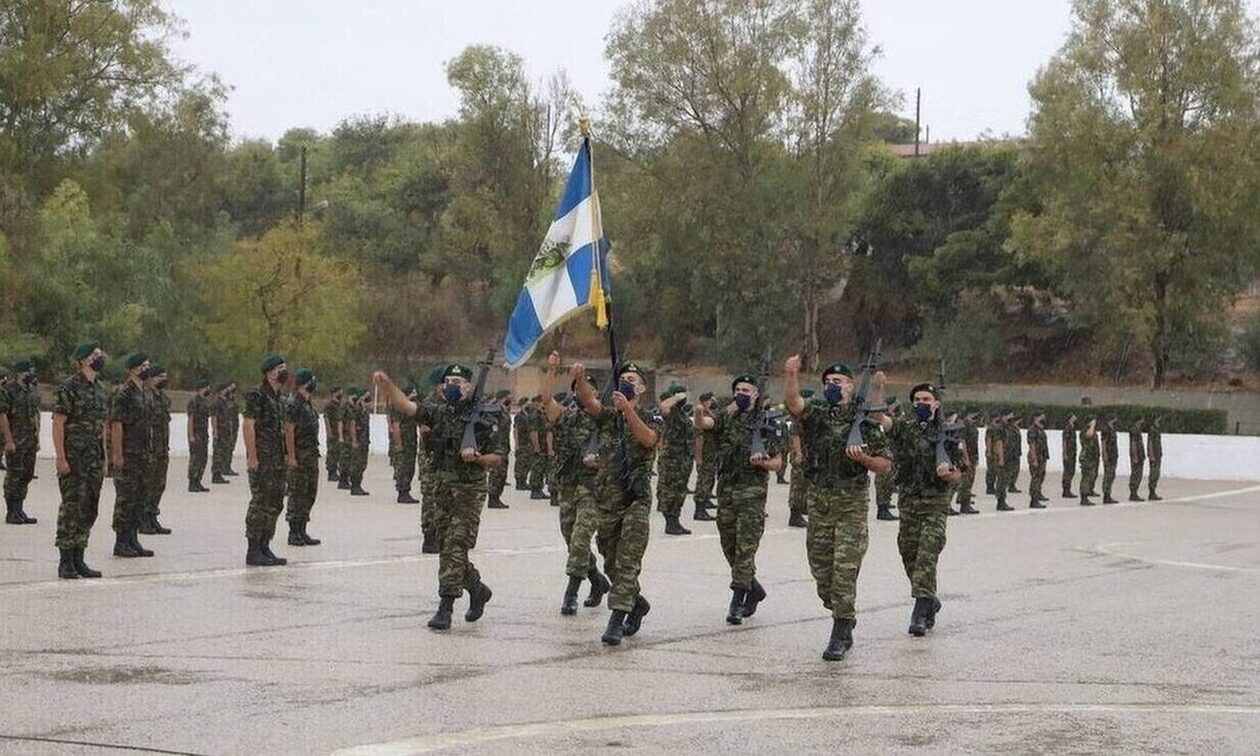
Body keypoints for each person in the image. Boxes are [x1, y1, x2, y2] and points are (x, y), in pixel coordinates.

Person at [374, 364, 505, 631]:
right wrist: (386, 385)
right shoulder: (440, 412)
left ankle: (445, 607)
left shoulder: (488, 416)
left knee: (455, 544)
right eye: (448, 381)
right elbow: (408, 408)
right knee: (448, 549)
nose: (451, 386)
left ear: (470, 386)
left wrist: (478, 458)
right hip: (442, 492)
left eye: (458, 381)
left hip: (469, 492)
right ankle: (477, 589)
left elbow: (499, 457)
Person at [785, 355, 891, 661]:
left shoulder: (865, 420)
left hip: (851, 508)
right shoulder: (816, 413)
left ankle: (841, 630)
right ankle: (842, 612)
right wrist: (790, 374)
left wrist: (863, 459)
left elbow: (884, 465)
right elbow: (793, 403)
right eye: (828, 382)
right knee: (822, 574)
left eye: (839, 382)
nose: (833, 386)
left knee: (844, 572)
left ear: (851, 386)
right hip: (819, 505)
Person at [570, 360, 662, 646]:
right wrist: (580, 378)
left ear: (643, 387)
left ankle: (616, 620)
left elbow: (648, 439)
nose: (627, 381)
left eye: (633, 379)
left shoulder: (653, 416)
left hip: (635, 501)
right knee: (610, 563)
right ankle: (636, 603)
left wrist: (629, 410)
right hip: (607, 501)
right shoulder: (609, 417)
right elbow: (589, 402)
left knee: (626, 563)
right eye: (623, 377)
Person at [693, 371, 783, 625]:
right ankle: (754, 588)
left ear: (757, 394)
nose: (742, 394)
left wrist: (763, 462)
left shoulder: (767, 421)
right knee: (729, 546)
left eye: (747, 390)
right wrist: (700, 411)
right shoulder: (727, 418)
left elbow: (778, 462)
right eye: (738, 390)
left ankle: (738, 599)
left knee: (745, 549)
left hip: (752, 494)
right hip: (727, 491)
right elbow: (705, 425)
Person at [878, 381, 965, 638]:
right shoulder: (905, 429)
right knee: (909, 554)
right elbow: (878, 418)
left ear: (936, 404)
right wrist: (878, 388)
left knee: (927, 554)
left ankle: (919, 612)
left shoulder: (949, 434)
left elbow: (960, 474)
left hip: (935, 504)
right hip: (908, 501)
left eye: (926, 400)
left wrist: (947, 474)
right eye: (917, 400)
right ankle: (929, 599)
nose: (921, 404)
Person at [541, 353, 611, 614]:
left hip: (593, 488)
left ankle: (571, 593)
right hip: (568, 485)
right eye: (577, 388)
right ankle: (597, 581)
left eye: (586, 388)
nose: (580, 393)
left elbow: (617, 454)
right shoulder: (566, 416)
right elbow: (546, 401)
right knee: (571, 540)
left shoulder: (604, 419)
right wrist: (551, 369)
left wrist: (601, 463)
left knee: (581, 539)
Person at [53, 340, 109, 579]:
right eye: (95, 354)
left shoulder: (100, 388)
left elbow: (102, 426)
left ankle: (79, 558)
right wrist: (61, 457)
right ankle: (65, 560)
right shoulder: (69, 387)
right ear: (83, 359)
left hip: (94, 459)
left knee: (89, 507)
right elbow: (58, 423)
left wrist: (105, 457)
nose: (100, 357)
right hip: (74, 458)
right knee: (72, 507)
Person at [243, 355, 290, 567]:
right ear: (269, 372)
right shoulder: (257, 395)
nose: (284, 371)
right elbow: (248, 425)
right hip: (262, 458)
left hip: (277, 459)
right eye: (280, 368)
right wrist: (252, 456)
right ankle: (253, 549)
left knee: (275, 502)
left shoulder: (279, 397)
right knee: (260, 502)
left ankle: (265, 544)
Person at [109, 353, 156, 558]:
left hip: (143, 453)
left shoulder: (145, 392)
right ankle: (121, 541)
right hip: (129, 453)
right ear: (133, 369)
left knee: (139, 497)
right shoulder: (124, 393)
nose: (147, 369)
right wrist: (117, 455)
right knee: (126, 498)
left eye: (148, 365)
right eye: (143, 366)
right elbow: (117, 425)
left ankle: (133, 539)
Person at [284, 369, 323, 546]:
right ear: (306, 383)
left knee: (309, 492)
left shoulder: (307, 403)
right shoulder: (294, 403)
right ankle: (293, 532)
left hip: (311, 455)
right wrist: (291, 456)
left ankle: (302, 530)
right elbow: (289, 430)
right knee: (297, 493)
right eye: (313, 380)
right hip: (299, 455)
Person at [2, 358, 40, 525]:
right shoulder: (8, 391)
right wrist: (8, 440)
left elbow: (34, 415)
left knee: (27, 474)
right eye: (28, 371)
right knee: (14, 476)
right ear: (19, 373)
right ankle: (11, 511)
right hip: (16, 439)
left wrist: (36, 439)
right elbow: (2, 416)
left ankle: (20, 508)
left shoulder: (31, 390)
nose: (31, 374)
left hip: (30, 440)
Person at [656, 384, 693, 535]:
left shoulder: (681, 414)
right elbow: (663, 406)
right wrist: (676, 397)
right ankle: (670, 522)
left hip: (682, 458)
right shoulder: (670, 412)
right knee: (671, 490)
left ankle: (675, 520)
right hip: (672, 458)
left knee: (679, 491)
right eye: (680, 394)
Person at [140, 364, 172, 536]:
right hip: (150, 448)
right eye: (160, 377)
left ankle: (153, 516)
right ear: (151, 379)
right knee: (148, 484)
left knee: (159, 484)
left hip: (162, 448)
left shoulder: (164, 399)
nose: (163, 380)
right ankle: (143, 519)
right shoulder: (146, 397)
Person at [390, 385, 421, 504]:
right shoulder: (399, 407)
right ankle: (403, 492)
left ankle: (405, 490)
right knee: (404, 467)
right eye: (412, 394)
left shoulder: (410, 408)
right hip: (404, 441)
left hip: (411, 441)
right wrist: (398, 444)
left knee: (410, 467)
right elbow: (396, 426)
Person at [692, 392, 718, 522]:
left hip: (711, 455)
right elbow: (699, 439)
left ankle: (705, 502)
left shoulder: (710, 414)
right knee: (703, 481)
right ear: (704, 401)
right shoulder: (701, 415)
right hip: (706, 455)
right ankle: (699, 510)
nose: (713, 401)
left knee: (708, 479)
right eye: (710, 400)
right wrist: (699, 458)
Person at [485, 389, 513, 509]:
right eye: (509, 397)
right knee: (496, 473)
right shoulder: (493, 409)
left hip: (503, 446)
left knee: (501, 473)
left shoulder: (502, 409)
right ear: (504, 397)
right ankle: (493, 498)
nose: (511, 400)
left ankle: (496, 497)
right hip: (497, 446)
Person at [186, 380, 213, 493]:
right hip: (196, 434)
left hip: (203, 434)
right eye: (207, 387)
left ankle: (198, 480)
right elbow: (190, 419)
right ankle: (192, 482)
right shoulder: (194, 401)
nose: (209, 390)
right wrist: (190, 435)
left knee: (203, 458)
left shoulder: (205, 402)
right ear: (202, 388)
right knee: (195, 459)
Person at [955, 412, 980, 514]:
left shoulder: (972, 426)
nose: (974, 418)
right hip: (967, 457)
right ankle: (964, 505)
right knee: (966, 481)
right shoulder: (964, 426)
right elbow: (962, 442)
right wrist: (966, 458)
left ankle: (965, 502)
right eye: (972, 415)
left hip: (973, 456)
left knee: (969, 480)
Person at [211, 383, 233, 485]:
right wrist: (215, 431)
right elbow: (214, 417)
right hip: (220, 432)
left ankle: (220, 473)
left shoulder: (225, 403)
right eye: (225, 390)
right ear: (221, 391)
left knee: (223, 452)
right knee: (218, 453)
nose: (227, 391)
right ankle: (216, 474)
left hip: (225, 432)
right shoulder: (217, 403)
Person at [1026, 410, 1049, 508]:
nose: (1043, 418)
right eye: (1041, 417)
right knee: (1035, 478)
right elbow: (1032, 445)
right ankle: (1033, 500)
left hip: (1042, 457)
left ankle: (1038, 494)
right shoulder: (1032, 430)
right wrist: (1034, 459)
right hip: (1036, 457)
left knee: (1040, 477)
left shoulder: (1040, 429)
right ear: (1036, 418)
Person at [324, 385, 344, 483]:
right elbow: (326, 418)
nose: (341, 394)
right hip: (333, 432)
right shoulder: (329, 405)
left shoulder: (340, 404)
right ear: (335, 393)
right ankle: (331, 472)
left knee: (338, 453)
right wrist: (329, 432)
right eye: (340, 392)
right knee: (332, 452)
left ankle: (336, 471)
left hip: (339, 433)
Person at [1079, 417, 1100, 506]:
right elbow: (1089, 435)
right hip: (1087, 457)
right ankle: (1084, 498)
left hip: (1092, 457)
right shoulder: (1084, 431)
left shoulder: (1093, 431)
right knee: (1086, 478)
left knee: (1091, 476)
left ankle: (1088, 492)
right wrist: (1092, 425)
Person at [1101, 417, 1120, 504]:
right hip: (1108, 456)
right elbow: (1104, 443)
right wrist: (1105, 455)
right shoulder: (1106, 429)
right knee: (1108, 476)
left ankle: (1108, 494)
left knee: (1111, 475)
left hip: (1113, 456)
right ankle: (1106, 495)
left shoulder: (1112, 429)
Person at [1004, 412, 1023, 494]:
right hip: (1010, 452)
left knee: (1016, 470)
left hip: (1016, 452)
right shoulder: (1009, 429)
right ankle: (1006, 485)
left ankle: (1012, 485)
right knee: (1009, 470)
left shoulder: (1016, 429)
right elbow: (1008, 442)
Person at [1128, 419, 1146, 502]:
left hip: (1140, 455)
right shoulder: (1134, 431)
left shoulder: (1137, 430)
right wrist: (1135, 455)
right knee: (1136, 474)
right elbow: (1133, 443)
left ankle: (1134, 492)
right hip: (1137, 455)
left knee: (1139, 474)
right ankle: (1133, 493)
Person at [1061, 414, 1079, 498]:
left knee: (1071, 471)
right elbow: (1064, 441)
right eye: (1073, 417)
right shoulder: (1067, 429)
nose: (1075, 418)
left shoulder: (1072, 428)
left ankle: (1068, 489)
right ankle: (1066, 490)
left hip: (1072, 453)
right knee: (1068, 472)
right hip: (1068, 453)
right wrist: (1064, 453)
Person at [1147, 416, 1163, 501]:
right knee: (1153, 473)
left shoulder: (1157, 429)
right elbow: (1150, 442)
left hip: (1158, 455)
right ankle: (1151, 492)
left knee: (1156, 473)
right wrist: (1151, 454)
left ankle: (1153, 491)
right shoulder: (1152, 429)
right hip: (1154, 455)